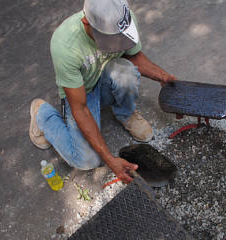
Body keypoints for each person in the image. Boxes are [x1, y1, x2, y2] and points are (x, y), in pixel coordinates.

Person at [29, 0, 176, 184]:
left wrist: (163, 77)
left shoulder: (125, 20)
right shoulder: (65, 45)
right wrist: (109, 159)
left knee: (125, 72)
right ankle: (43, 115)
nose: (117, 44)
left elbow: (133, 56)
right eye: (111, 40)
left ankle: (126, 114)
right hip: (83, 91)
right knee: (87, 160)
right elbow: (80, 108)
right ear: (86, 23)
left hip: (107, 75)